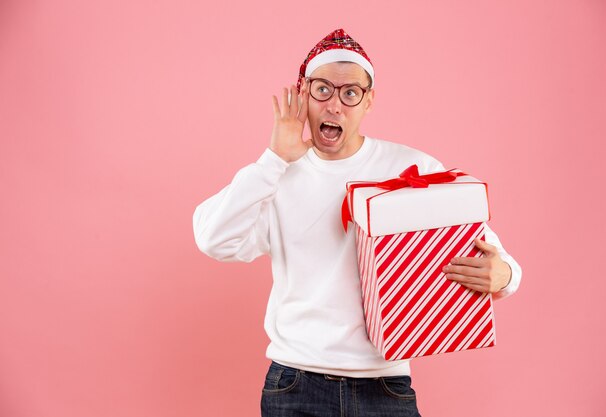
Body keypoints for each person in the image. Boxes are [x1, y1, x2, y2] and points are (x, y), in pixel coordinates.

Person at [193, 28, 522, 417]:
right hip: (296, 384)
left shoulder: (412, 169)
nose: (335, 105)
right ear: (303, 94)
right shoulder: (276, 175)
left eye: (350, 93)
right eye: (322, 90)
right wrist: (273, 159)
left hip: (386, 386)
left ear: (368, 102)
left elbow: (495, 255)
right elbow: (213, 239)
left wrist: (503, 276)